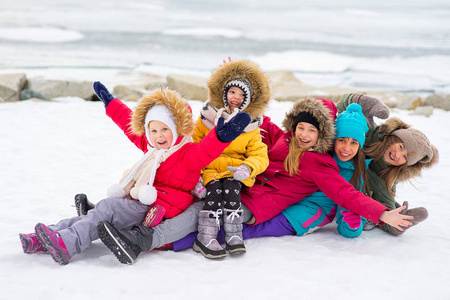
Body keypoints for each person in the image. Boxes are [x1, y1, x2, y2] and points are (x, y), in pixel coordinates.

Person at [96, 97, 414, 264]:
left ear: (321, 135)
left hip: (256, 204)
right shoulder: (286, 138)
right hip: (241, 185)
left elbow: (346, 194)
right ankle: (116, 220)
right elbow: (269, 128)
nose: (303, 135)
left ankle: (141, 241)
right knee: (184, 196)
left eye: (311, 131)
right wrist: (240, 98)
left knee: (201, 214)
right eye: (301, 127)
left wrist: (382, 213)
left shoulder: (320, 164)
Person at [18, 86, 251, 265]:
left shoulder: (187, 153)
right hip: (142, 200)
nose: (159, 135)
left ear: (176, 128)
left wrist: (221, 136)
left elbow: (206, 151)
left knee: (106, 208)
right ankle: (49, 237)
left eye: (165, 129)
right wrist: (111, 103)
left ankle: (67, 245)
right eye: (154, 130)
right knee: (97, 213)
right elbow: (128, 125)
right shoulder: (154, 149)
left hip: (158, 207)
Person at [191, 60, 270, 258]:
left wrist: (248, 167)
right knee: (215, 191)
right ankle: (205, 236)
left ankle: (234, 235)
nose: (236, 97)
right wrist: (196, 178)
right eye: (232, 91)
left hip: (235, 171)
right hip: (210, 170)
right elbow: (191, 147)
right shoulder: (205, 119)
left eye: (242, 94)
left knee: (232, 190)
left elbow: (260, 154)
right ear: (224, 93)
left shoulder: (251, 127)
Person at [337, 93, 438, 235]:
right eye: (401, 147)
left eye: (404, 158)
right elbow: (343, 109)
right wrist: (361, 101)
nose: (397, 155)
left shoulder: (386, 177)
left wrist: (398, 223)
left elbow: (387, 207)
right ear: (393, 138)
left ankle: (367, 217)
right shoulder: (370, 133)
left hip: (346, 194)